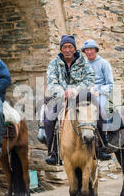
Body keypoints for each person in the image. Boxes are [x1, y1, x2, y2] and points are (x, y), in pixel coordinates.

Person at [44, 35, 109, 165]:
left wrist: (76, 90)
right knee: (49, 118)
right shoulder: (54, 63)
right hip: (61, 96)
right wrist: (63, 93)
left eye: (70, 47)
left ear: (74, 49)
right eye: (64, 47)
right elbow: (51, 82)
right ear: (61, 49)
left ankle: (102, 146)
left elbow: (90, 78)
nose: (67, 50)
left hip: (82, 94)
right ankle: (53, 151)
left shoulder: (83, 62)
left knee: (100, 111)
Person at [81, 39, 113, 160]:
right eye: (86, 50)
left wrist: (98, 91)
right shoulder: (82, 64)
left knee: (100, 113)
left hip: (100, 94)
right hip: (86, 93)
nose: (88, 52)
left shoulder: (104, 63)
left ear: (95, 50)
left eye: (90, 49)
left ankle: (103, 145)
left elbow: (110, 84)